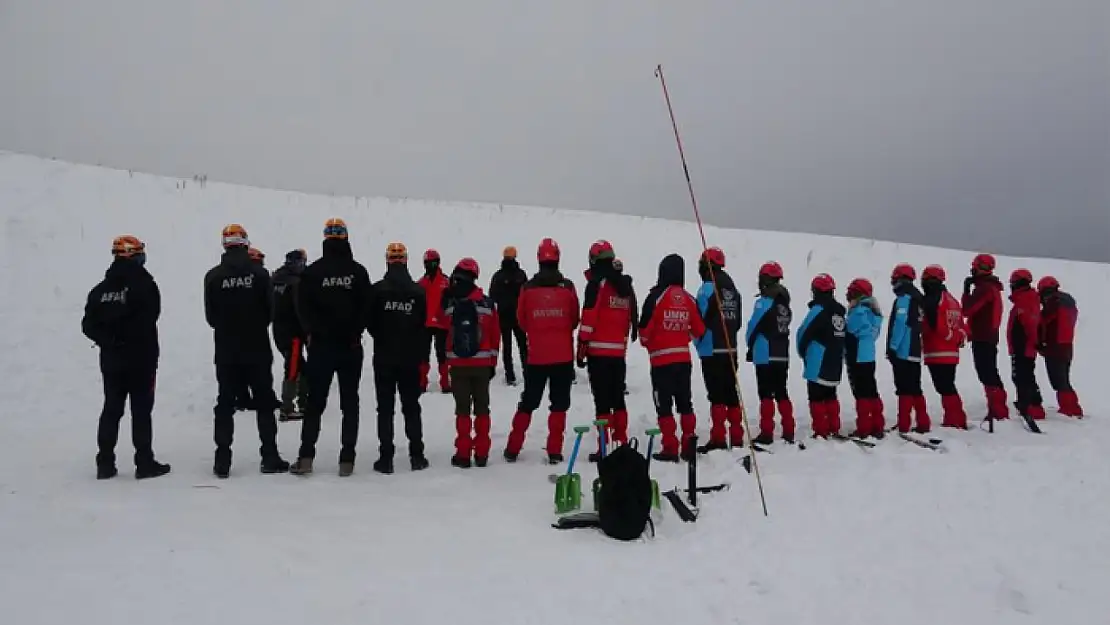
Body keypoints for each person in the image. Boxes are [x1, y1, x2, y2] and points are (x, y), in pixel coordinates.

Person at [82, 235, 171, 480]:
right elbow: (152, 314)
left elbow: (88, 325)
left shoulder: (100, 290)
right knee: (141, 411)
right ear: (134, 255)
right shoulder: (145, 283)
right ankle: (144, 462)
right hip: (141, 358)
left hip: (111, 360)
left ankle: (105, 462)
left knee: (111, 409)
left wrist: (109, 340)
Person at [290, 218, 373, 477]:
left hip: (321, 348)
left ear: (325, 239)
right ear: (346, 238)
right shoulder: (358, 272)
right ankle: (347, 459)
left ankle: (306, 457)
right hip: (350, 346)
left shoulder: (312, 273)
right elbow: (366, 308)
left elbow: (301, 310)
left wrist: (312, 333)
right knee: (350, 402)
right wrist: (355, 332)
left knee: (315, 402)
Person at [203, 224, 288, 478]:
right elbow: (270, 312)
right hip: (257, 348)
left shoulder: (213, 277)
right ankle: (270, 456)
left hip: (227, 350)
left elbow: (211, 316)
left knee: (225, 404)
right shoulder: (261, 275)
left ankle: (222, 460)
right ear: (246, 243)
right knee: (264, 402)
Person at [505, 238, 580, 464]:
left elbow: (521, 320)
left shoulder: (527, 289)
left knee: (528, 402)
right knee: (559, 405)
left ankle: (513, 448)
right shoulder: (567, 288)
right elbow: (574, 319)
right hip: (563, 357)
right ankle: (554, 451)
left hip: (536, 357)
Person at [367, 242, 430, 473]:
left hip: (384, 356)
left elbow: (370, 323)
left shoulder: (377, 291)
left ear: (387, 260)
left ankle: (385, 458)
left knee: (385, 409)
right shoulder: (418, 292)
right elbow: (422, 324)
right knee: (411, 407)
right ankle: (417, 455)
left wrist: (383, 338)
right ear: (405, 260)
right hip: (409, 357)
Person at [639, 253, 706, 462]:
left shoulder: (656, 297)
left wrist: (654, 342)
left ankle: (670, 446)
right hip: (683, 361)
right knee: (686, 403)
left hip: (661, 362)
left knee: (664, 405)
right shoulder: (689, 299)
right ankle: (688, 442)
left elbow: (643, 333)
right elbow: (699, 330)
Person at [577, 239, 637, 460]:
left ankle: (604, 447)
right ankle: (621, 442)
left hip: (598, 353)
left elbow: (589, 318)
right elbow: (629, 319)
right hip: (618, 354)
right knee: (618, 399)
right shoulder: (624, 287)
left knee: (602, 401)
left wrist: (581, 348)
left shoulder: (597, 284)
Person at [443, 258, 500, 468]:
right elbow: (495, 335)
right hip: (482, 364)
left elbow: (443, 329)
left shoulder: (450, 304)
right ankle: (482, 453)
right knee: (483, 409)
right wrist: (492, 361)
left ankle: (463, 453)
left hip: (458, 365)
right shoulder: (487, 304)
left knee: (462, 410)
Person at [693, 247, 743, 451]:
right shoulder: (733, 290)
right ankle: (737, 437)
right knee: (731, 393)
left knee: (716, 396)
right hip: (731, 348)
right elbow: (737, 321)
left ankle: (718, 438)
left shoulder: (706, 288)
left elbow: (698, 320)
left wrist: (697, 339)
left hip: (711, 349)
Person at [746, 261, 795, 445]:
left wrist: (749, 346)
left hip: (764, 353)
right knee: (782, 392)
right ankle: (789, 430)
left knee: (765, 394)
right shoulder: (785, 305)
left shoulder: (763, 303)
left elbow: (753, 327)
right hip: (782, 353)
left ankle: (767, 432)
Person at [796, 274, 847, 438]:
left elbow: (802, 333)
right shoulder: (839, 314)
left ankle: (821, 429)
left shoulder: (817, 310)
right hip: (835, 360)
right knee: (831, 395)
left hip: (817, 360)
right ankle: (834, 426)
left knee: (816, 397)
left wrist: (803, 354)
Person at [920, 264, 969, 429]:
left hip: (937, 350)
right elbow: (963, 326)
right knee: (948, 385)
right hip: (951, 352)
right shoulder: (952, 300)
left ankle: (955, 419)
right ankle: (955, 417)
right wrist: (957, 338)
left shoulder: (933, 300)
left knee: (944, 387)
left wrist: (948, 337)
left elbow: (937, 326)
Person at [961, 253, 1008, 421]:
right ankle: (998, 408)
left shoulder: (984, 289)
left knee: (987, 372)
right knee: (989, 371)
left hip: (983, 335)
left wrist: (966, 290)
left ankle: (998, 410)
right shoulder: (991, 287)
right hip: (987, 334)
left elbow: (967, 309)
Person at [888, 263, 930, 434]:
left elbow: (900, 324)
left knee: (903, 388)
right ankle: (923, 422)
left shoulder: (904, 299)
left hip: (903, 351)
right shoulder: (918, 298)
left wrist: (892, 346)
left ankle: (904, 424)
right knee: (915, 387)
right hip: (914, 350)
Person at [844, 278, 885, 438]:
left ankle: (864, 427)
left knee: (861, 392)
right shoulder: (872, 312)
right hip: (868, 355)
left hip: (857, 355)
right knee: (871, 390)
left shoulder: (859, 311)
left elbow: (852, 329)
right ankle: (877, 424)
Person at [1037, 276, 1083, 417]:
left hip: (1054, 346)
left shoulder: (1053, 304)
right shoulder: (1068, 303)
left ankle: (1069, 408)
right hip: (1066, 345)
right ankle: (1072, 407)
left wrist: (1040, 342)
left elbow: (1044, 321)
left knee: (1058, 381)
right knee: (1063, 379)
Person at [272, 249, 308, 420]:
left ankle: (303, 402)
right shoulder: (296, 283)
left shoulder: (275, 279)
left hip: (278, 331)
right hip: (293, 333)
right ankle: (287, 406)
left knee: (300, 367)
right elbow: (300, 310)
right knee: (293, 369)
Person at [1007, 269, 1045, 421]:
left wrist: (1033, 342)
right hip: (1023, 344)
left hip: (1023, 345)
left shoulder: (1025, 300)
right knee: (1024, 375)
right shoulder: (1027, 299)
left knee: (1022, 376)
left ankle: (1031, 406)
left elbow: (1029, 323)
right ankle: (1030, 403)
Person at [488, 245, 529, 385]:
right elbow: (527, 294)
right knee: (523, 346)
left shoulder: (498, 276)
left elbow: (492, 296)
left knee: (507, 347)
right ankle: (527, 372)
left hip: (504, 316)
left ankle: (510, 376)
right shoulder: (521, 275)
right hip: (518, 316)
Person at [417, 249, 451, 393]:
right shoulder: (421, 283)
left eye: (433, 262)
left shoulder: (446, 281)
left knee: (442, 354)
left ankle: (445, 383)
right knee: (423, 354)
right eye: (428, 263)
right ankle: (421, 382)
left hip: (442, 323)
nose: (431, 265)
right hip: (425, 323)